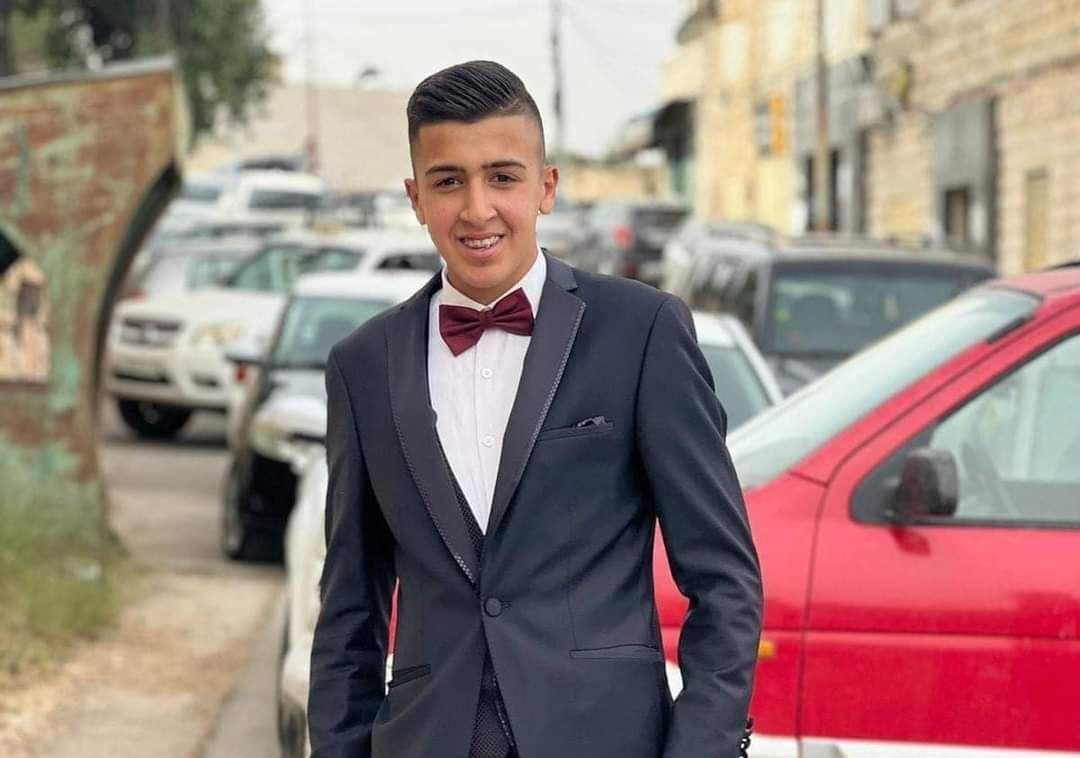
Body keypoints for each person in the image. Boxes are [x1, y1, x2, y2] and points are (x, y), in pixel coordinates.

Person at [308, 60, 762, 758]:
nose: (477, 209)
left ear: (546, 187)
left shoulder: (640, 332)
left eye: (502, 177)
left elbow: (724, 581)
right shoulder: (363, 366)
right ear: (415, 197)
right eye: (448, 181)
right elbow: (348, 610)